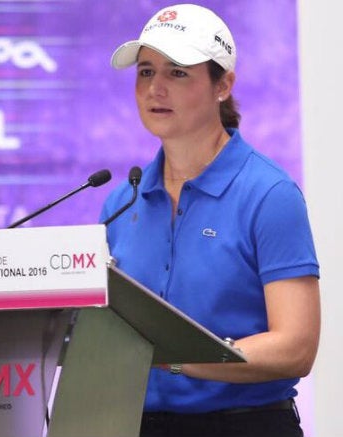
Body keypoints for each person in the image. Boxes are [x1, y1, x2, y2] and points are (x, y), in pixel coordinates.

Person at [99, 4, 320, 437]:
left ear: (223, 85)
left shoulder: (269, 194)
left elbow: (296, 347)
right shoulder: (120, 203)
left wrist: (175, 357)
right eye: (146, 72)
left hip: (245, 426)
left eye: (177, 72)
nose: (155, 89)